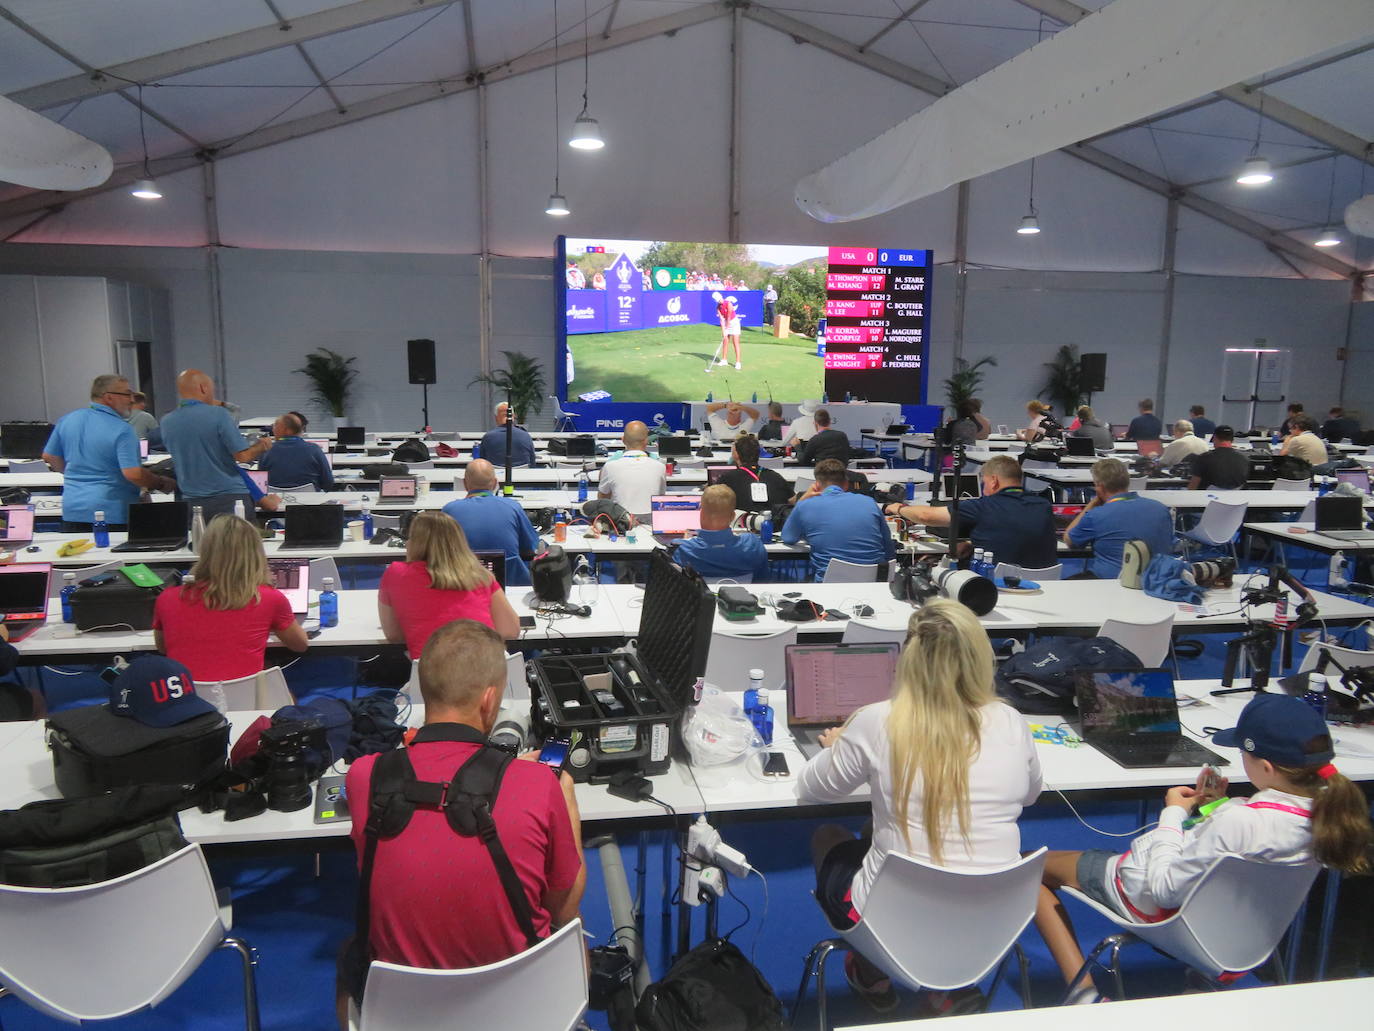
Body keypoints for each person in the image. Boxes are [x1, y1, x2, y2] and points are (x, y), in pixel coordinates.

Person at [1035, 693, 1371, 1005]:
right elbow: (1239, 847)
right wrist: (1215, 807)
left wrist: (1173, 813)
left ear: (1266, 767)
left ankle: (1085, 995)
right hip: (1244, 937)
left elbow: (1164, 890)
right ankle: (1199, 979)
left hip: (1157, 904)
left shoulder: (1240, 819)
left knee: (1028, 869)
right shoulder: (1329, 818)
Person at [800, 601, 1042, 1013]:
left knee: (830, 837)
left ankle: (872, 969)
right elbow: (1030, 795)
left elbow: (812, 790)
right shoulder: (1011, 721)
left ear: (907, 661)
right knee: (876, 832)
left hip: (886, 921)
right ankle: (945, 984)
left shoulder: (878, 721)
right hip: (991, 922)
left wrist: (837, 747)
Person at [340, 620, 585, 1016]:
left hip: (404, 1014)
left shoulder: (364, 775)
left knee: (346, 951)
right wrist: (562, 794)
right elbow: (565, 909)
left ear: (423, 689)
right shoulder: (541, 784)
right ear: (490, 701)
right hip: (519, 1007)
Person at [152, 514, 308, 682]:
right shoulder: (270, 599)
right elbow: (299, 645)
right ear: (256, 552)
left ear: (205, 550)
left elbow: (163, 647)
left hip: (186, 701)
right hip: (247, 701)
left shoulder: (167, 598)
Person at [42, 374, 177, 532]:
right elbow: (133, 474)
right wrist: (159, 483)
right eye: (127, 394)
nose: (132, 400)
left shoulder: (67, 420)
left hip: (74, 509)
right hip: (112, 512)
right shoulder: (122, 430)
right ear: (109, 398)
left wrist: (74, 473)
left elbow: (49, 456)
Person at [379, 512, 519, 657]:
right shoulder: (481, 575)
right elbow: (510, 630)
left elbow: (394, 635)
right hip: (489, 673)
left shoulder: (396, 573)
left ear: (414, 542)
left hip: (432, 676)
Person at [885, 455, 1057, 570]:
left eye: (985, 483)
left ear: (994, 481)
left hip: (994, 587)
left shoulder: (981, 506)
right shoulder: (1044, 506)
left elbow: (926, 516)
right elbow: (1015, 533)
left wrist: (898, 508)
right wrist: (973, 545)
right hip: (1046, 585)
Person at [160, 369, 272, 520]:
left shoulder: (167, 421)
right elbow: (243, 456)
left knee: (202, 542)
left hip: (190, 501)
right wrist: (261, 445)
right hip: (228, 498)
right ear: (203, 388)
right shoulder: (219, 414)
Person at [782, 458, 894, 580]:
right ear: (846, 484)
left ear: (817, 485)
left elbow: (788, 538)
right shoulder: (869, 502)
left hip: (829, 586)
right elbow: (888, 548)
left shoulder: (805, 505)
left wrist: (802, 499)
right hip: (874, 584)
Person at [1063, 458, 1175, 578]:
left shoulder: (1096, 515)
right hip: (1158, 581)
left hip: (1112, 582)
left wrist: (1092, 504)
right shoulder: (1161, 508)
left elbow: (1069, 540)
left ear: (1100, 487)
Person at [441, 460, 540, 586]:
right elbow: (531, 546)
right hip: (510, 586)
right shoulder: (513, 507)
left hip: (462, 586)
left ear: (465, 484)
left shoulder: (448, 510)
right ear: (495, 484)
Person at [672, 485, 771, 582]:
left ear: (701, 514)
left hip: (701, 597)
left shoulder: (682, 549)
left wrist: (686, 541)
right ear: (733, 517)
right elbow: (762, 581)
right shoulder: (753, 544)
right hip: (744, 597)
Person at [596, 421, 667, 522]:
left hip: (620, 524)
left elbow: (602, 501)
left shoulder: (610, 466)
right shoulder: (660, 467)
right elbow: (660, 497)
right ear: (646, 441)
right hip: (651, 525)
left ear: (623, 440)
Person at [257, 412, 334, 491]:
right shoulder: (314, 449)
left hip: (274, 501)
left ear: (286, 430)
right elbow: (328, 482)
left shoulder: (266, 451)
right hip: (309, 500)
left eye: (275, 427)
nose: (273, 431)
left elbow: (261, 483)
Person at [717, 435, 792, 513]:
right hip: (773, 522)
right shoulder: (777, 478)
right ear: (759, 453)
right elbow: (792, 501)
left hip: (738, 523)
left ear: (736, 455)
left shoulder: (726, 479)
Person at [1186, 425, 1250, 490]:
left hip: (1207, 498)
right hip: (1236, 498)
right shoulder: (1244, 459)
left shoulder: (1203, 458)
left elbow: (1193, 486)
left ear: (1214, 438)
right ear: (1232, 440)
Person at [479, 402, 537, 468]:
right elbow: (532, 463)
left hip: (496, 476)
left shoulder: (488, 437)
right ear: (513, 416)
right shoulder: (526, 436)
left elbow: (482, 463)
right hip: (523, 476)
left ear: (496, 417)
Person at [707, 291, 743, 370]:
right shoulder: (718, 308)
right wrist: (723, 331)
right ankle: (724, 360)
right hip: (726, 323)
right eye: (717, 300)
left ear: (721, 297)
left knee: (735, 342)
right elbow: (721, 320)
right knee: (725, 340)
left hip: (734, 323)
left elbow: (729, 316)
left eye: (719, 299)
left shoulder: (728, 303)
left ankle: (738, 362)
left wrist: (727, 325)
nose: (719, 301)